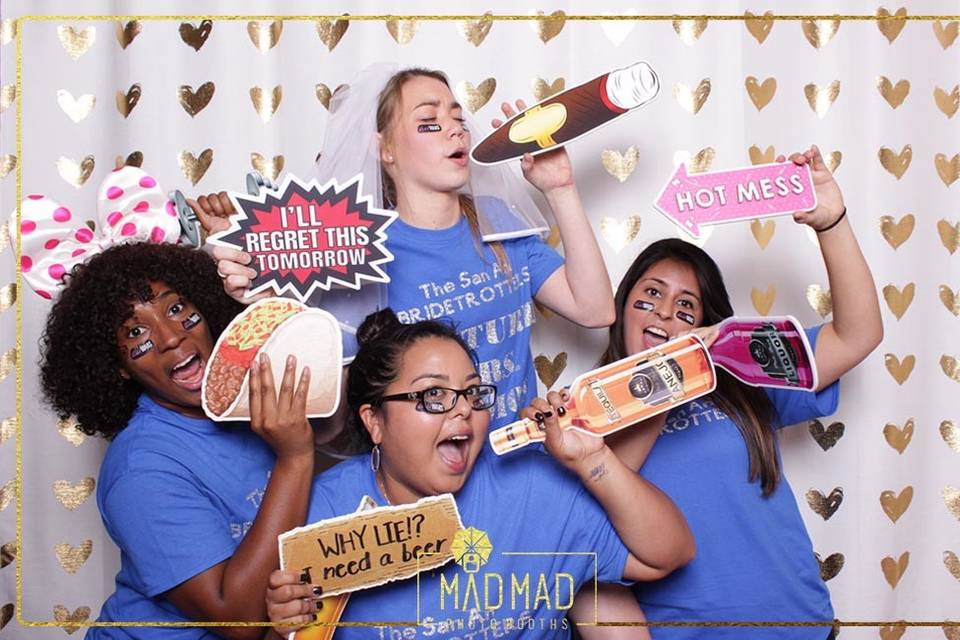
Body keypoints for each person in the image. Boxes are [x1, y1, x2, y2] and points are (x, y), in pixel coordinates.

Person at [196, 64, 616, 433]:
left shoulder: (497, 222)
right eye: (429, 123)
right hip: (427, 483)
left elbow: (596, 311)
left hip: (522, 461)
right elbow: (331, 421)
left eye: (457, 119)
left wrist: (560, 187)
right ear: (385, 149)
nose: (454, 129)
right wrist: (270, 308)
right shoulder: (359, 248)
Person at [591, 146, 883, 639]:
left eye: (687, 307)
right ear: (621, 309)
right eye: (651, 295)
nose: (665, 313)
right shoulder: (585, 413)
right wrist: (667, 381)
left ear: (705, 326)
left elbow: (857, 336)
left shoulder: (740, 375)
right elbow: (593, 518)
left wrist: (831, 223)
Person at [262, 308, 695, 639]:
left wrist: (592, 458)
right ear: (375, 422)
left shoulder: (531, 484)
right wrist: (284, 626)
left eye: (472, 391)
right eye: (434, 395)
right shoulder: (325, 511)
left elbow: (667, 554)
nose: (464, 408)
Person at [39, 242, 316, 639]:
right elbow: (237, 619)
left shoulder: (246, 404)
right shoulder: (140, 470)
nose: (170, 337)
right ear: (117, 367)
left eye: (176, 309)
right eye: (136, 332)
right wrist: (295, 458)